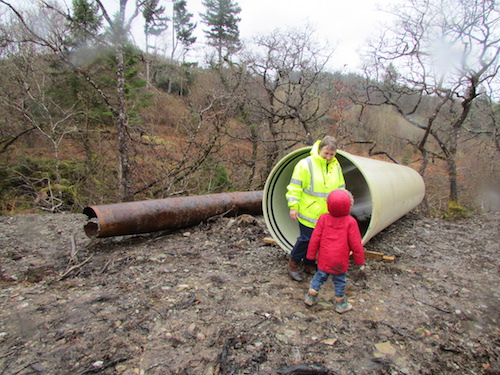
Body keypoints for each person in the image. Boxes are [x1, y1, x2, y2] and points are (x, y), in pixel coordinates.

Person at [285, 136, 345, 282]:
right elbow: (295, 187)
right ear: (319, 149)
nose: (329, 157)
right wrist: (293, 207)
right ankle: (293, 265)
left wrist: (342, 206)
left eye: (332, 154)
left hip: (326, 214)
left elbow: (340, 187)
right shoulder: (306, 164)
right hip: (308, 211)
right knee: (306, 239)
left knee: (319, 241)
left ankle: (309, 264)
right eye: (326, 153)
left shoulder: (335, 166)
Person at [304, 189, 365, 313]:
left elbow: (315, 238)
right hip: (340, 260)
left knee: (319, 276)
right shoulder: (350, 222)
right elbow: (356, 244)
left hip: (324, 258)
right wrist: (359, 260)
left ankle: (311, 295)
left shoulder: (323, 219)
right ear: (349, 205)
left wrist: (310, 255)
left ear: (328, 204)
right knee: (339, 281)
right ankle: (340, 303)